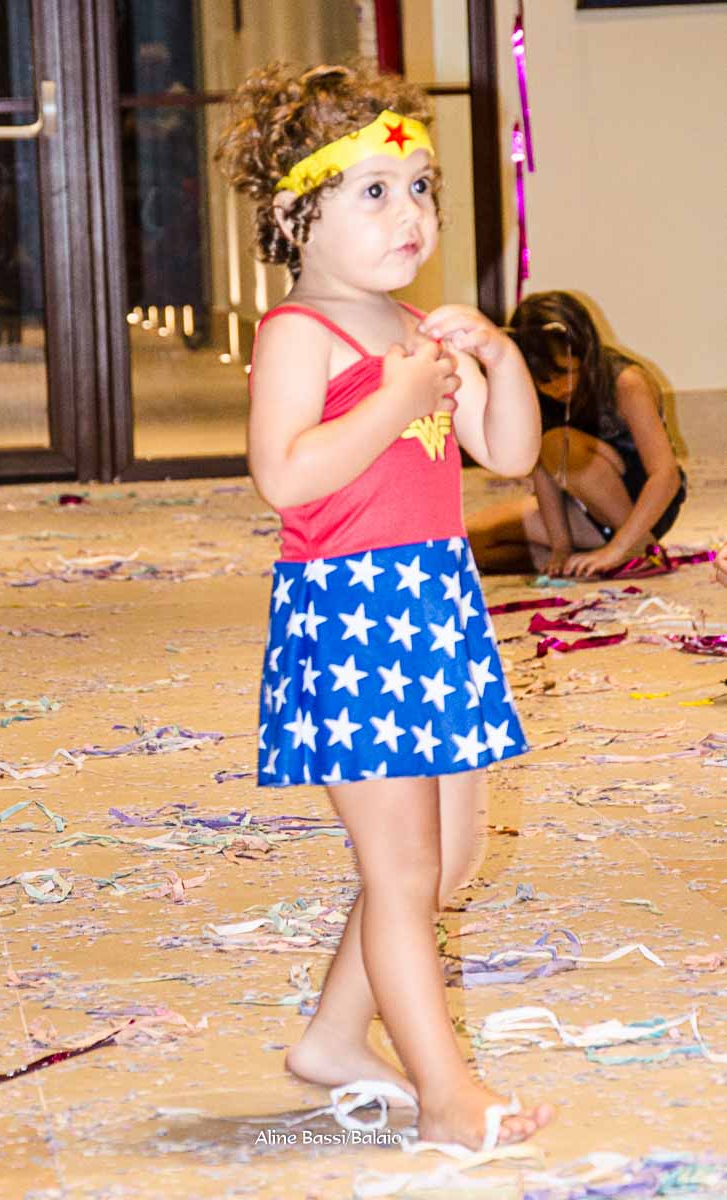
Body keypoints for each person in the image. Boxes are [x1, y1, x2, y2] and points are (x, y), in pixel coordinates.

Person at [217, 62, 552, 1151]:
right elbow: (285, 474)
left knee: (448, 861)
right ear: (292, 218)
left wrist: (496, 359)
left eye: (419, 188)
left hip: (435, 607)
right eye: (373, 191)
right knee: (401, 872)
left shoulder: (420, 330)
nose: (409, 213)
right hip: (353, 619)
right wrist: (399, 395)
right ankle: (448, 1095)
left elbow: (508, 453)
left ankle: (331, 1036)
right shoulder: (299, 334)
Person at [466, 291, 687, 577]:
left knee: (560, 442)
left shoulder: (626, 382)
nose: (560, 387)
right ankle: (589, 555)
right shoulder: (534, 392)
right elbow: (541, 470)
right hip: (582, 508)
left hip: (640, 508)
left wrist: (618, 547)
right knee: (470, 540)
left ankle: (637, 548)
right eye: (546, 380)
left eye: (566, 372)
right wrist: (560, 547)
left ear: (585, 353)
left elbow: (666, 475)